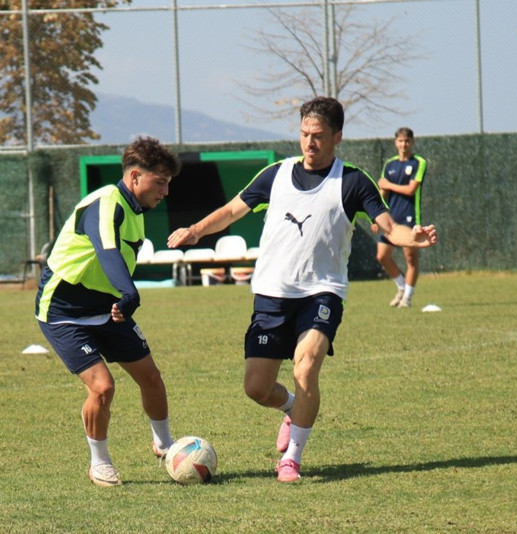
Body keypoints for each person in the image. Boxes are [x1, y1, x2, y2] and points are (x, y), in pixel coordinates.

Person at [167, 97, 437, 483]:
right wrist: (195, 230)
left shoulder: (352, 181)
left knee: (306, 365)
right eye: (305, 134)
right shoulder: (274, 175)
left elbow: (389, 227)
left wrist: (416, 235)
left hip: (322, 292)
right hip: (272, 293)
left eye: (319, 136)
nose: (310, 143)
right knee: (256, 388)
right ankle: (293, 409)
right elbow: (231, 212)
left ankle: (292, 457)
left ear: (337, 137)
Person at [35, 136, 181, 487]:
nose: (165, 192)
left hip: (107, 306)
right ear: (134, 176)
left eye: (167, 184)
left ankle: (165, 446)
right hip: (64, 309)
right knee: (103, 387)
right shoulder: (106, 203)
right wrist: (129, 292)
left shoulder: (136, 211)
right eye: (159, 182)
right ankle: (99, 462)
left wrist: (122, 296)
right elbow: (107, 250)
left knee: (151, 376)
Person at [371, 127, 428, 308]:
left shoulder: (419, 162)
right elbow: (382, 192)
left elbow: (411, 190)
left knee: (410, 258)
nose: (404, 144)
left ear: (412, 142)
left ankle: (408, 298)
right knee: (382, 256)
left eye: (407, 141)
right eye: (401, 141)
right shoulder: (389, 164)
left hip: (410, 217)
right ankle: (401, 287)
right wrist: (375, 217)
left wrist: (389, 184)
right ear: (396, 142)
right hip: (390, 218)